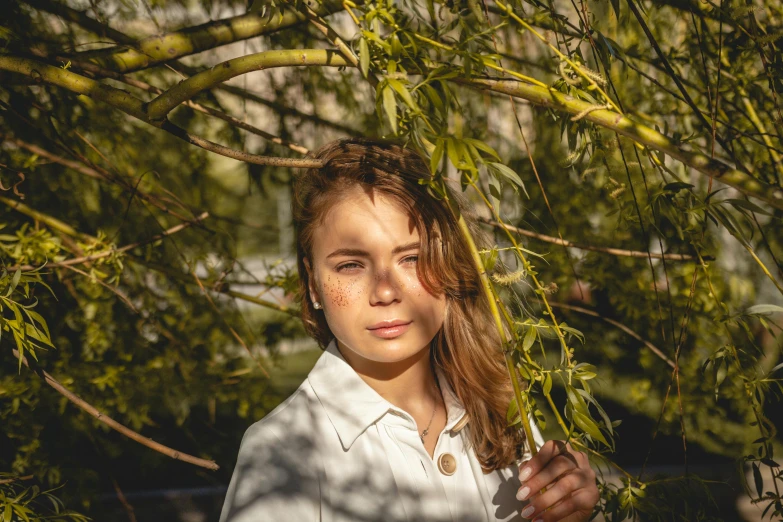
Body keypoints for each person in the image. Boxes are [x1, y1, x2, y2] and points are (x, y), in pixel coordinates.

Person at [219, 137, 600, 522]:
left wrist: (573, 512)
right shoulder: (284, 453)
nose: (385, 291)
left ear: (450, 264)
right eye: (351, 265)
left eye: (412, 259)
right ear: (314, 283)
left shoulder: (502, 411)